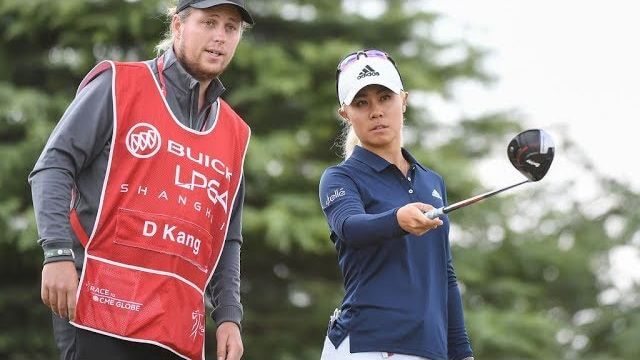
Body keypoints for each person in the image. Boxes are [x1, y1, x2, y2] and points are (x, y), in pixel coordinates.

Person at [29, 1, 254, 359]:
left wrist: (228, 316)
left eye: (231, 28)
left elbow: (226, 235)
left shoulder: (235, 133)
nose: (219, 37)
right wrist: (56, 253)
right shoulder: (118, 84)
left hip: (177, 326)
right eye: (209, 22)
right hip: (99, 309)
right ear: (177, 25)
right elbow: (53, 166)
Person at [318, 49, 475, 360]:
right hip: (369, 344)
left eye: (384, 98)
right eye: (362, 103)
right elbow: (350, 226)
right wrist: (397, 220)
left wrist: (462, 353)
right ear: (346, 114)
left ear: (403, 100)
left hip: (430, 348)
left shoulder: (432, 183)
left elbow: (444, 275)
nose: (376, 111)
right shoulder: (340, 178)